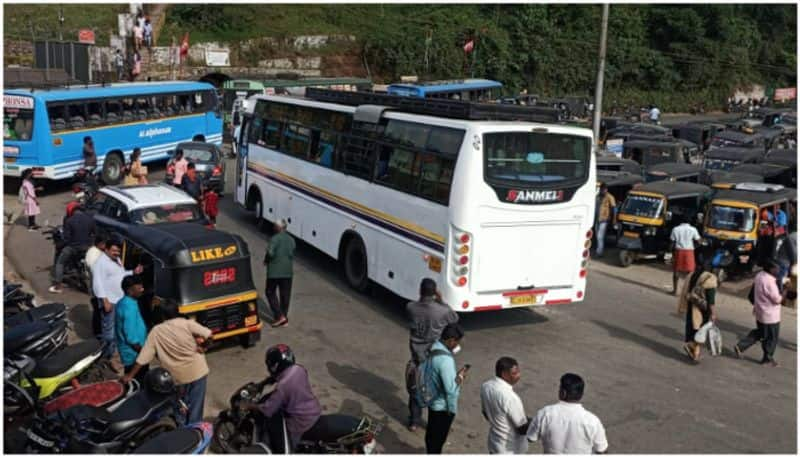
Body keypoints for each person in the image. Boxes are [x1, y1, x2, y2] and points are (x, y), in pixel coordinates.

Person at [121, 300, 213, 424]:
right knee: (196, 407)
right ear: (178, 312)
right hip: (198, 372)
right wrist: (204, 347)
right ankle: (195, 434)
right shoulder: (187, 324)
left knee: (180, 407)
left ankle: (182, 431)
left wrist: (130, 375)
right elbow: (209, 334)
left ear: (162, 315)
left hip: (177, 377)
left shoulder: (156, 331)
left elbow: (143, 357)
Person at [243, 344, 322, 453]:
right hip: (314, 410)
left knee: (283, 447)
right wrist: (264, 383)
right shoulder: (299, 369)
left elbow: (267, 410)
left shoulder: (282, 387)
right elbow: (282, 376)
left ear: (275, 365)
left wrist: (250, 406)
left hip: (299, 422)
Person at [406, 278, 459, 431]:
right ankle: (435, 422)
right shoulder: (441, 311)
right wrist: (442, 301)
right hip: (434, 358)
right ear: (435, 292)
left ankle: (414, 422)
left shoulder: (410, 307)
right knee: (436, 391)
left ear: (420, 291)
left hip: (417, 356)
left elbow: (416, 308)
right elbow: (454, 319)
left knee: (415, 388)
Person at [526, 373, 608, 454]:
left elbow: (531, 438)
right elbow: (602, 450)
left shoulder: (545, 413)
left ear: (563, 393)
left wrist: (531, 422)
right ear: (581, 394)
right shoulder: (592, 421)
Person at [92, 238, 143, 359]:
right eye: (114, 251)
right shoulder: (100, 263)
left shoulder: (117, 260)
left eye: (118, 251)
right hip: (110, 301)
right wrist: (105, 300)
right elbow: (97, 283)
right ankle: (107, 356)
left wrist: (132, 272)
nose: (116, 253)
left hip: (119, 299)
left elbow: (120, 274)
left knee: (118, 328)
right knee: (108, 332)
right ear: (107, 249)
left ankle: (115, 352)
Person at [734, 259, 788, 367]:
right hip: (770, 315)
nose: (778, 270)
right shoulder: (769, 282)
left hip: (760, 311)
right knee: (771, 337)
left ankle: (741, 346)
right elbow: (777, 300)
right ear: (770, 269)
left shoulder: (759, 275)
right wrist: (785, 289)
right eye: (776, 268)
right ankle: (767, 359)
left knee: (761, 332)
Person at [425, 323, 467, 454]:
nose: (457, 346)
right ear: (451, 340)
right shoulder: (446, 360)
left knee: (431, 434)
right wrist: (460, 378)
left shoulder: (433, 347)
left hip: (431, 399)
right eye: (457, 342)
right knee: (437, 440)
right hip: (443, 407)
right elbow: (451, 390)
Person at [480, 357, 529, 454]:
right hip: (510, 449)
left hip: (494, 444)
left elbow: (485, 413)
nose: (519, 375)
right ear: (504, 374)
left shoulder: (486, 386)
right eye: (515, 373)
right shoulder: (510, 397)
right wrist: (536, 423)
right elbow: (522, 428)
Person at [49, 204, 96, 293]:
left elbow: (66, 238)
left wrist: (60, 244)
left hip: (74, 248)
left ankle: (58, 286)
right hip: (88, 247)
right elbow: (94, 233)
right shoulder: (90, 219)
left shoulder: (69, 221)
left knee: (60, 262)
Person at [678, 263, 718, 362]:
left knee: (692, 326)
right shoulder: (710, 278)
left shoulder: (692, 274)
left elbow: (685, 290)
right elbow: (711, 299)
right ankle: (691, 345)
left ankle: (694, 353)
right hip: (702, 308)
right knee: (700, 330)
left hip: (691, 304)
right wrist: (713, 313)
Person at [115, 275, 149, 383]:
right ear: (130, 290)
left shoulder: (125, 302)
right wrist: (144, 352)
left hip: (133, 353)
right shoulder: (128, 308)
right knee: (138, 382)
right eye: (139, 288)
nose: (142, 289)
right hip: (134, 355)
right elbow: (131, 338)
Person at [264, 219, 296, 327]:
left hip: (274, 272)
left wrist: (266, 261)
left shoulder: (274, 239)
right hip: (288, 272)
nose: (273, 227)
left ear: (278, 228)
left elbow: (270, 253)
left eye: (274, 226)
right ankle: (284, 317)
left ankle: (279, 316)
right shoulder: (291, 239)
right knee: (285, 295)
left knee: (270, 292)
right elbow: (291, 253)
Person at [669, 214, 700, 295]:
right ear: (690, 221)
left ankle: (675, 291)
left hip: (679, 250)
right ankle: (688, 291)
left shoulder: (675, 229)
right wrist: (694, 247)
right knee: (690, 272)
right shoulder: (693, 229)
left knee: (676, 271)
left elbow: (672, 242)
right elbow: (699, 241)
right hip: (689, 251)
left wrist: (670, 253)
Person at [595, 183, 616, 257]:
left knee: (600, 236)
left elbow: (613, 209)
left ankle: (599, 252)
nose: (602, 190)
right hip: (597, 219)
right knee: (597, 236)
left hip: (604, 219)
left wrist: (613, 220)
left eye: (604, 189)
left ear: (606, 189)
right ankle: (599, 249)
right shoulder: (597, 196)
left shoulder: (610, 197)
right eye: (601, 189)